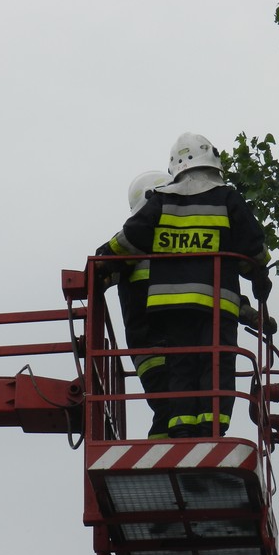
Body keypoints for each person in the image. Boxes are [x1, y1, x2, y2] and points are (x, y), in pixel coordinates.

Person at [98, 133, 271, 438]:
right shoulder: (227, 198)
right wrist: (259, 275)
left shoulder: (162, 202)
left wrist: (101, 261)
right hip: (216, 305)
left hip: (171, 308)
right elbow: (252, 246)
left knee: (181, 365)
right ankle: (211, 428)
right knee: (216, 362)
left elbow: (130, 238)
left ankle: (181, 430)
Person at [115, 170, 173, 439]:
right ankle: (164, 456)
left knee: (182, 410)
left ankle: (166, 456)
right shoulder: (130, 243)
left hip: (175, 345)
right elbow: (98, 269)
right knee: (170, 410)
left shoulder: (132, 243)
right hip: (153, 347)